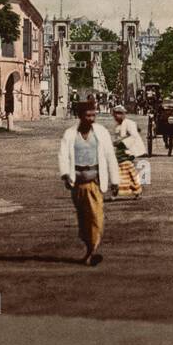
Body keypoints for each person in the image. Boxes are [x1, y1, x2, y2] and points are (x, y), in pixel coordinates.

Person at [58, 99, 120, 265]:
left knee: (97, 218)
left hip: (94, 183)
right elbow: (63, 155)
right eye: (88, 116)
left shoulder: (101, 132)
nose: (91, 119)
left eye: (94, 115)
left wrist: (115, 181)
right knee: (83, 219)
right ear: (80, 116)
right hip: (77, 183)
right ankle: (90, 250)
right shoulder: (70, 134)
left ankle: (92, 250)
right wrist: (65, 175)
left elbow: (110, 156)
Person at [110, 105, 146, 198]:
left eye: (118, 114)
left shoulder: (129, 123)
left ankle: (137, 190)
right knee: (118, 171)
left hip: (128, 151)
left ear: (123, 114)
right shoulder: (118, 126)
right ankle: (116, 190)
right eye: (114, 114)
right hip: (120, 151)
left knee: (129, 171)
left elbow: (133, 136)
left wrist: (121, 141)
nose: (115, 117)